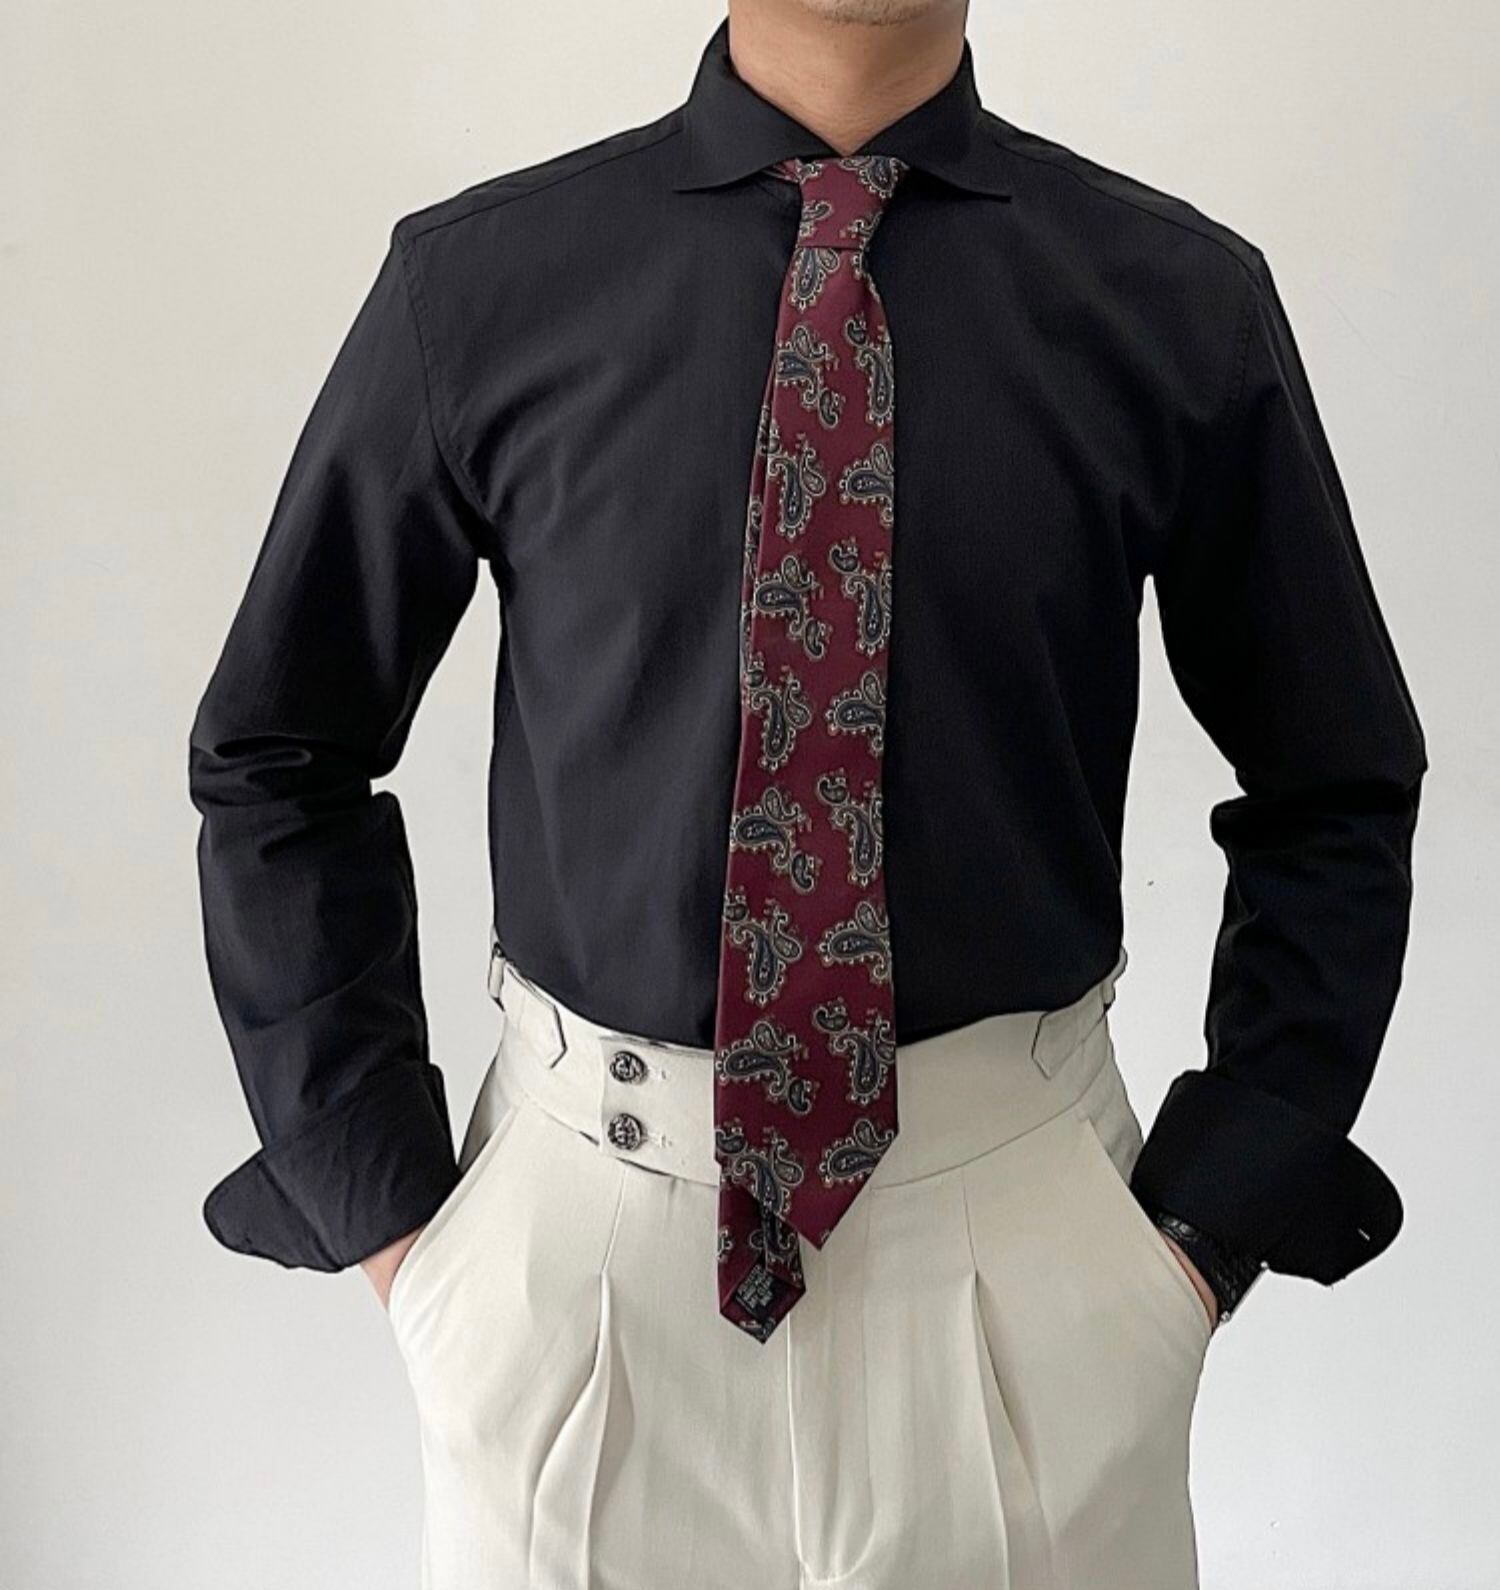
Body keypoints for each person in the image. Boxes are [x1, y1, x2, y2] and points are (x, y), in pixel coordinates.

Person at [188, 4, 1427, 1586]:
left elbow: (1335, 777)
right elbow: (281, 749)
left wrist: (1199, 1232)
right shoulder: (482, 285)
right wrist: (395, 1221)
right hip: (579, 1261)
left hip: (1028, 1254)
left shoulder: (1173, 302)